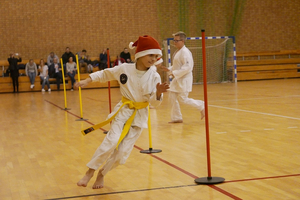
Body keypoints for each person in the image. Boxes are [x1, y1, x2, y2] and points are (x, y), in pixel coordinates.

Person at [75, 35, 169, 189]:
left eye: (155, 56)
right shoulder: (124, 69)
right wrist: (87, 80)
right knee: (111, 141)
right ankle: (89, 172)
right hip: (123, 111)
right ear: (139, 54)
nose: (153, 59)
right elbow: (105, 74)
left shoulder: (154, 76)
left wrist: (158, 93)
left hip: (139, 116)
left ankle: (102, 174)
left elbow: (154, 103)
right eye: (150, 55)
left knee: (122, 154)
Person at [160, 31, 205, 123]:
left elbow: (188, 67)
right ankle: (177, 118)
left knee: (183, 99)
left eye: (177, 40)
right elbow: (177, 65)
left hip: (184, 79)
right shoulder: (178, 51)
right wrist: (169, 69)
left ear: (183, 41)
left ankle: (201, 105)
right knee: (172, 97)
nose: (174, 42)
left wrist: (174, 73)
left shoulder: (185, 52)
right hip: (178, 78)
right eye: (174, 40)